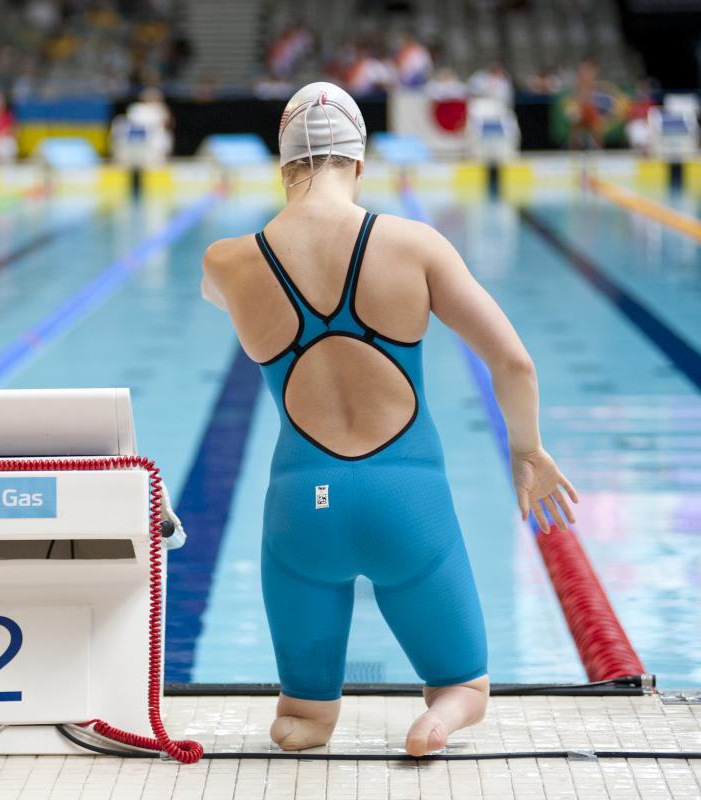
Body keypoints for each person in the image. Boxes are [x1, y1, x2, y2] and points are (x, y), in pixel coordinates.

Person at [200, 82, 577, 757]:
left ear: (284, 166)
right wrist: (528, 450)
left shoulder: (227, 262)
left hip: (299, 511)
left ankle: (309, 717)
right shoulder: (414, 245)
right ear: (361, 163)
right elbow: (514, 364)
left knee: (302, 720)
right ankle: (437, 721)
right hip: (408, 504)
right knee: (464, 685)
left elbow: (210, 293)